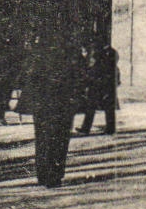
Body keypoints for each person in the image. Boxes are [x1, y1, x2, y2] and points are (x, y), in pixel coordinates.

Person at [22, 37, 83, 188]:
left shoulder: (38, 54)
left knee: (43, 138)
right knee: (60, 139)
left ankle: (43, 174)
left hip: (44, 105)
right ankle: (55, 174)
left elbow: (29, 78)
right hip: (61, 104)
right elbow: (80, 77)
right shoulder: (70, 53)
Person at [78, 42, 119, 136]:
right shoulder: (104, 55)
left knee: (98, 108)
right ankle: (87, 128)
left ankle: (107, 128)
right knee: (97, 107)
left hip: (101, 86)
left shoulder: (107, 55)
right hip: (100, 86)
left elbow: (98, 72)